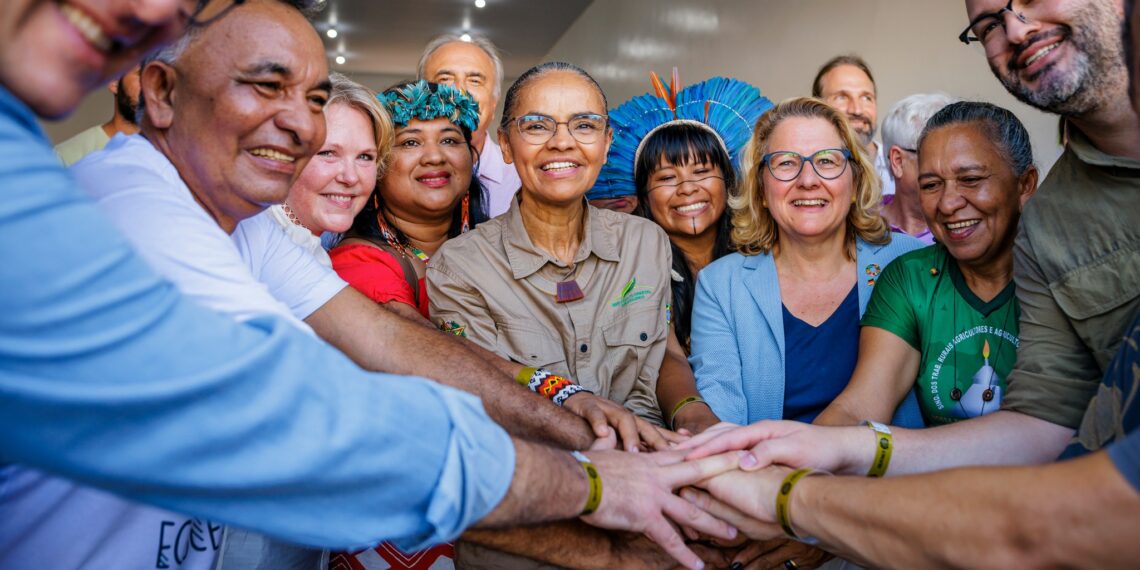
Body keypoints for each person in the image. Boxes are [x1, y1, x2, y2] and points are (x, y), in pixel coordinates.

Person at [0, 1, 740, 568]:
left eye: (315, 99)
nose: (299, 125)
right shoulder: (134, 207)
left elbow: (392, 337)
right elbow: (327, 431)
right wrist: (597, 496)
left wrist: (584, 419)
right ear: (160, 93)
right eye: (265, 86)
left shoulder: (249, 222)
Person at [426, 61, 718, 568]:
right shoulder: (461, 265)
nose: (562, 143)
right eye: (537, 125)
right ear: (506, 143)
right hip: (534, 515)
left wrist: (696, 417)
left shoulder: (644, 241)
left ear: (606, 143)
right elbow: (485, 395)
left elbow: (664, 353)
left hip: (659, 509)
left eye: (583, 125)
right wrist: (624, 446)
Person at [689, 96, 925, 428]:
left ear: (855, 180)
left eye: (827, 161)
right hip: (769, 473)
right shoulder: (721, 286)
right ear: (760, 186)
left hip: (891, 475)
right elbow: (722, 416)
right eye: (786, 163)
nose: (808, 179)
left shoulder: (909, 261)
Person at [815, 100, 1038, 428]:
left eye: (971, 179)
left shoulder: (1062, 275)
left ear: (1025, 185)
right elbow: (861, 406)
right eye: (931, 185)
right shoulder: (911, 279)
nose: (948, 203)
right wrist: (790, 461)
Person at [595, 72, 773, 436]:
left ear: (730, 181)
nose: (687, 188)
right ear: (643, 196)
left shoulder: (766, 257)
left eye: (702, 171)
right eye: (666, 178)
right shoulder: (635, 270)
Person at [331, 79, 488, 321]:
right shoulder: (359, 262)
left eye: (449, 140)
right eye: (410, 142)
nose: (435, 157)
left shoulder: (497, 244)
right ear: (377, 165)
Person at [270, 72, 394, 266]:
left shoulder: (315, 252)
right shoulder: (253, 235)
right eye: (328, 153)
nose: (350, 177)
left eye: (364, 157)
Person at [419, 34, 521, 217]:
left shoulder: (522, 178)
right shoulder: (396, 174)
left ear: (494, 103)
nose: (459, 91)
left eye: (475, 81)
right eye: (445, 79)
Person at [877, 93, 957, 243]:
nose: (956, 165)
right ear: (898, 161)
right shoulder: (860, 224)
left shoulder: (965, 227)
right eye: (940, 154)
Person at [812, 55, 893, 196]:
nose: (857, 110)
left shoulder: (901, 168)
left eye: (866, 98)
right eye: (842, 97)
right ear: (816, 107)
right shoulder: (803, 172)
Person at [54, 64, 142, 165]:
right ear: (115, 83)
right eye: (141, 74)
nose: (152, 86)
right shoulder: (68, 156)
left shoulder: (162, 154)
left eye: (159, 76)